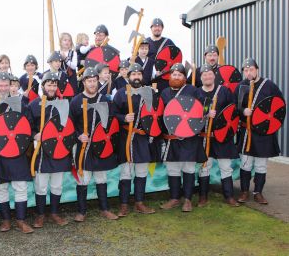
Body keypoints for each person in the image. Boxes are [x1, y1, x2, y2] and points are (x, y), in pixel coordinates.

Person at [0, 72, 34, 234]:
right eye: (0, 85)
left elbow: (28, 125)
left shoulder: (20, 103)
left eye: (6, 85)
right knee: (1, 187)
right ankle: (6, 220)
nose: (3, 88)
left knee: (20, 186)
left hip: (17, 150)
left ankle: (21, 220)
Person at [70, 67, 119, 222]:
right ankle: (82, 211)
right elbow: (70, 124)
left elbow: (110, 122)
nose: (92, 84)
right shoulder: (76, 100)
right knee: (83, 178)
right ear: (84, 82)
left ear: (98, 81)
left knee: (101, 177)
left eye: (94, 81)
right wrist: (78, 136)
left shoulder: (104, 100)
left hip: (101, 145)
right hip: (84, 146)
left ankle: (104, 209)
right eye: (89, 81)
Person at [235, 58, 284, 205]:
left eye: (251, 69)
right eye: (246, 70)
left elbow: (279, 107)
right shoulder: (241, 87)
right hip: (246, 131)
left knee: (261, 165)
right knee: (245, 163)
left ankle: (258, 192)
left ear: (257, 69)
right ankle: (244, 191)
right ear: (243, 71)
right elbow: (235, 108)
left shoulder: (269, 86)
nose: (249, 72)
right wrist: (244, 111)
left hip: (263, 132)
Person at [159, 63, 206, 212]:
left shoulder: (193, 90)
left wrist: (206, 113)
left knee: (188, 168)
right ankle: (174, 198)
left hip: (189, 137)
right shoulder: (164, 92)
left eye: (180, 75)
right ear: (170, 76)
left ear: (184, 78)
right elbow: (160, 114)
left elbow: (203, 107)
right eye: (174, 74)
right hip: (171, 137)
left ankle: (187, 200)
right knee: (173, 168)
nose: (176, 77)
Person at [112, 63, 156, 216]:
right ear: (128, 76)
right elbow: (113, 114)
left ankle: (139, 203)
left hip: (142, 137)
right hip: (127, 137)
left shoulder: (149, 93)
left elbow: (156, 114)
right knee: (126, 172)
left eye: (138, 74)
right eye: (133, 74)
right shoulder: (120, 94)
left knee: (142, 171)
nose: (136, 77)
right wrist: (123, 117)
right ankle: (123, 204)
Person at [28, 72, 70, 228]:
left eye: (54, 85)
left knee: (57, 185)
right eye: (49, 85)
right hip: (41, 151)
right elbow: (28, 127)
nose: (52, 88)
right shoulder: (33, 105)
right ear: (43, 86)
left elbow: (68, 127)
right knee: (41, 185)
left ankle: (54, 213)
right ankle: (40, 215)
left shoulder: (64, 104)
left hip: (59, 149)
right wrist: (34, 134)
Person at [196, 64, 239, 207]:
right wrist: (205, 114)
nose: (207, 77)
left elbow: (233, 113)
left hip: (222, 137)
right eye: (204, 75)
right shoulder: (197, 94)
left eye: (209, 74)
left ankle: (229, 196)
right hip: (204, 137)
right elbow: (191, 116)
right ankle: (203, 196)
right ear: (201, 77)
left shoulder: (224, 92)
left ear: (214, 76)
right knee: (204, 166)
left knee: (225, 166)